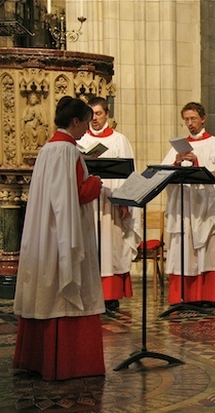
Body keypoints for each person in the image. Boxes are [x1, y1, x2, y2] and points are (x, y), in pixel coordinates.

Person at [13, 96, 105, 381]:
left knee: (44, 288)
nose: (86, 131)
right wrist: (96, 182)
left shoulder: (47, 149)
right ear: (75, 122)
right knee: (66, 290)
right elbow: (76, 195)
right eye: (85, 124)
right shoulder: (68, 151)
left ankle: (36, 359)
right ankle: (70, 362)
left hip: (44, 233)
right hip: (64, 233)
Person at [161, 102, 215, 306]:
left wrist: (197, 161)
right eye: (186, 120)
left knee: (208, 250)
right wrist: (177, 162)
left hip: (206, 207)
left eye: (193, 119)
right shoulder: (177, 147)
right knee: (184, 249)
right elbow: (162, 171)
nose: (190, 123)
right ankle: (185, 295)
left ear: (203, 119)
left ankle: (209, 296)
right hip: (185, 206)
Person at [78, 96, 140, 311]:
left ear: (107, 114)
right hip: (87, 203)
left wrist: (125, 202)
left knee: (110, 246)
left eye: (99, 114)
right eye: (91, 114)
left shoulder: (119, 140)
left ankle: (110, 295)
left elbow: (129, 175)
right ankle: (88, 292)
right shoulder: (81, 141)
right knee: (89, 245)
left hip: (110, 202)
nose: (95, 119)